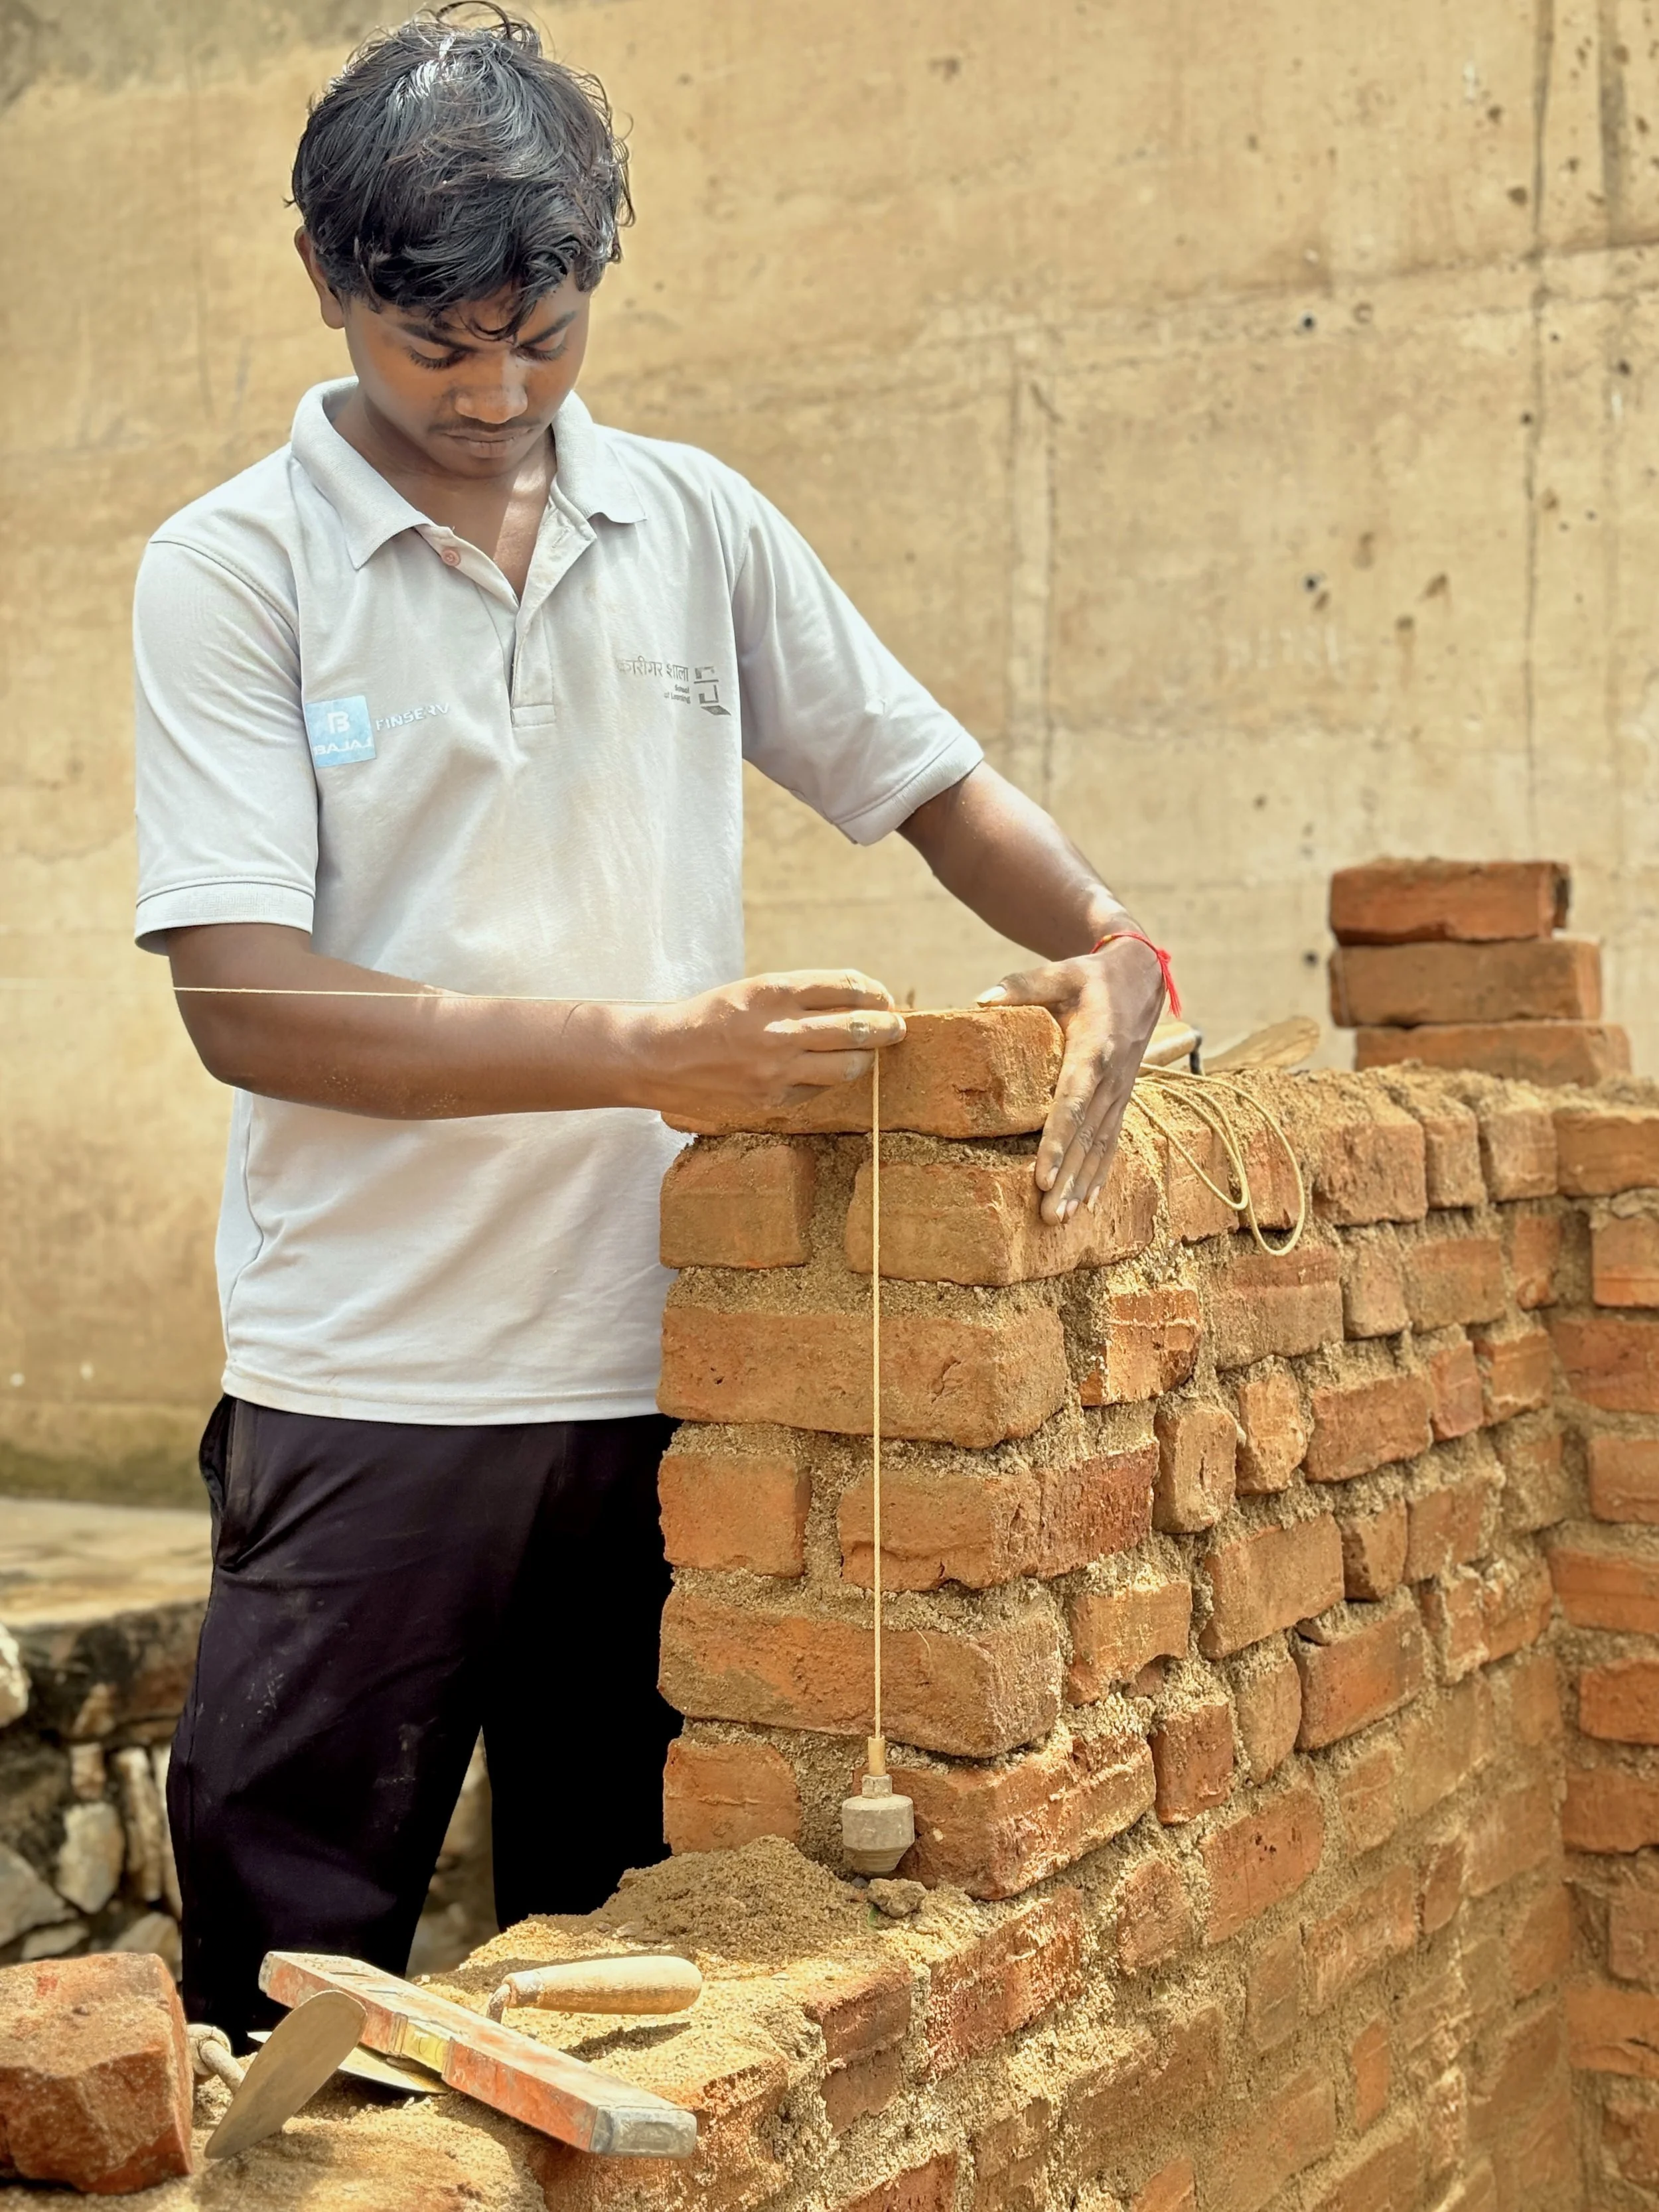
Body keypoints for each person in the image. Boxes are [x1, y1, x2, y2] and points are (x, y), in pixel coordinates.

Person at [133, 4, 1168, 2043]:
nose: (499, 393)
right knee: (275, 1986)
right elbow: (243, 1000)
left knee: (627, 1982)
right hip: (374, 1391)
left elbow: (933, 783)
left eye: (547, 335)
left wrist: (1108, 935)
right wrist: (638, 1050)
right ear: (331, 284)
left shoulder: (689, 524)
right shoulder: (234, 571)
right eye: (441, 345)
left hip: (671, 1392)